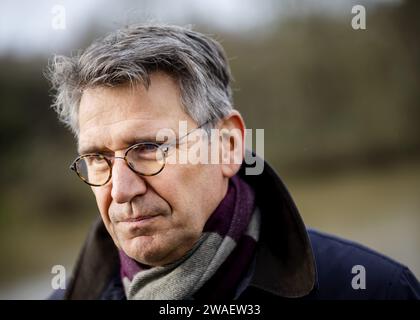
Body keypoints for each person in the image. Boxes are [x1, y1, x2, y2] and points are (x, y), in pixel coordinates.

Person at [47, 24, 419, 300]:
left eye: (147, 148)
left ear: (227, 145)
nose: (122, 190)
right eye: (97, 158)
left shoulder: (373, 289)